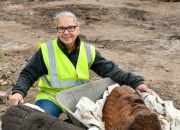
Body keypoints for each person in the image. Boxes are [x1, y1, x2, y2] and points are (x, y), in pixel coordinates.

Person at [9, 11, 149, 117]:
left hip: (79, 99)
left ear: (78, 29)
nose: (67, 32)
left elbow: (110, 70)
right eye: (62, 28)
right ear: (56, 31)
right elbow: (28, 74)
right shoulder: (46, 51)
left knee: (90, 128)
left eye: (71, 28)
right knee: (39, 122)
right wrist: (18, 92)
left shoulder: (88, 51)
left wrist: (135, 82)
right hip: (51, 98)